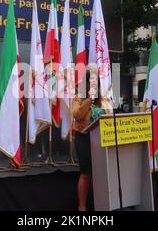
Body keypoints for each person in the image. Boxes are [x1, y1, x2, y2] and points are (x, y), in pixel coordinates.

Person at [72, 69, 110, 211]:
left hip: (101, 139)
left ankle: (99, 205)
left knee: (99, 173)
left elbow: (109, 115)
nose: (94, 83)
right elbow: (77, 115)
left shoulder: (103, 99)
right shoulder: (78, 98)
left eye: (96, 81)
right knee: (86, 173)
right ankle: (82, 207)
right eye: (91, 80)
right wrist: (88, 100)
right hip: (84, 139)